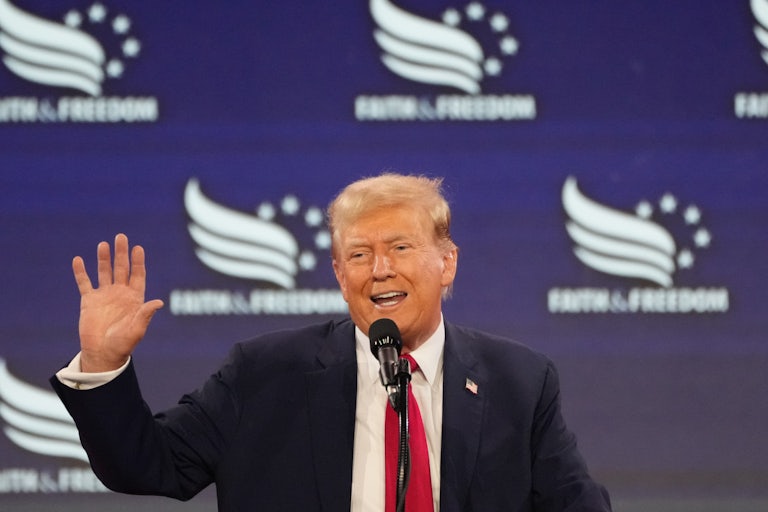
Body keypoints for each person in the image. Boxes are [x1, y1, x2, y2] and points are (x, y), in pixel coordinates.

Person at [51, 173, 612, 511]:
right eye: (359, 256)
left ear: (447, 263)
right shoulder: (265, 373)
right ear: (341, 277)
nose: (380, 271)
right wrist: (105, 362)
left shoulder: (519, 382)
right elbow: (148, 466)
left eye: (400, 248)